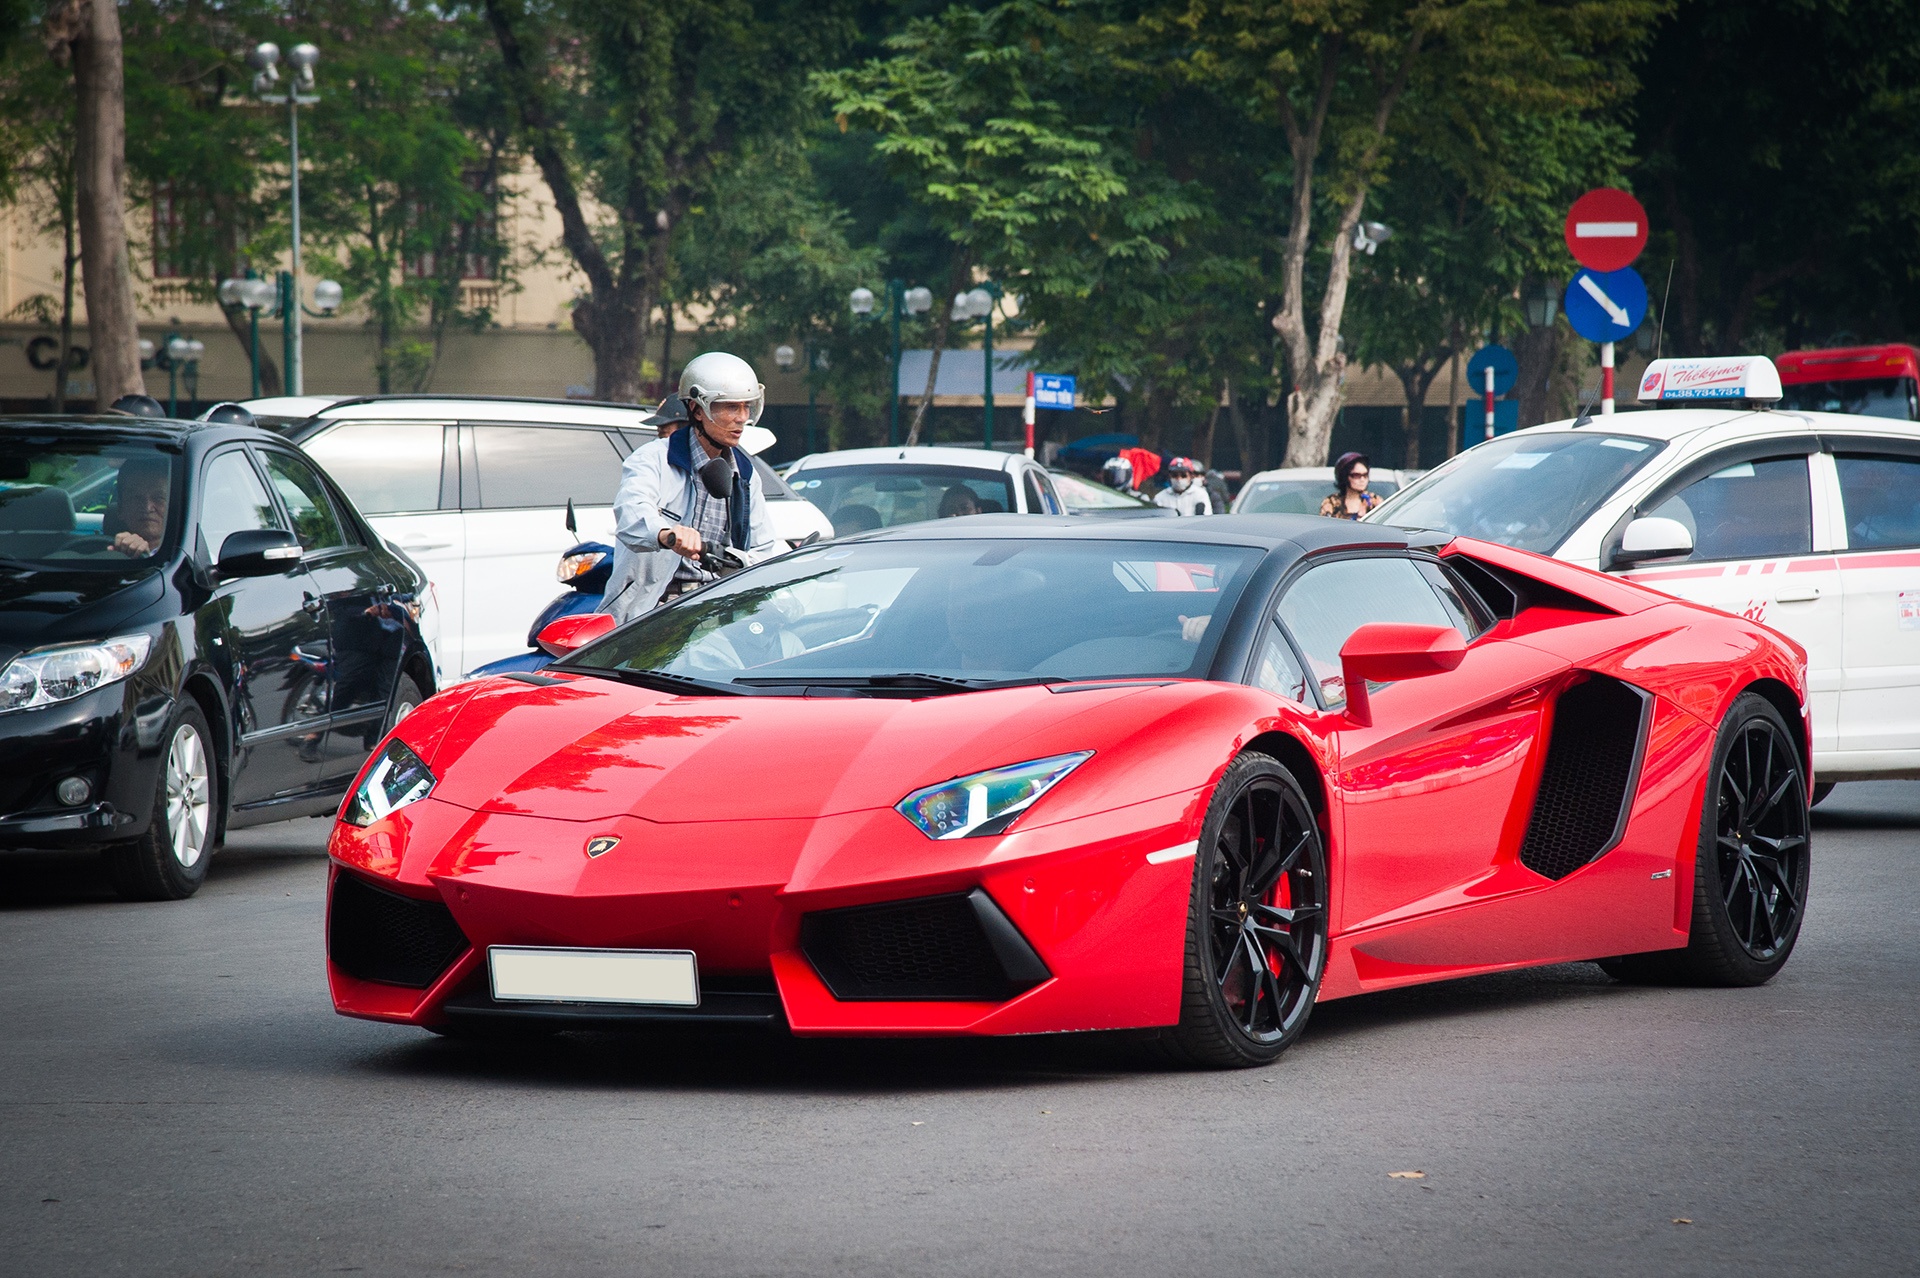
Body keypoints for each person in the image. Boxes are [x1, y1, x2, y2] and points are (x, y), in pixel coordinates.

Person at [601, 352, 779, 623]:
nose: (742, 418)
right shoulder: (653, 459)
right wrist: (666, 534)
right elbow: (631, 515)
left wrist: (731, 560)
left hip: (717, 610)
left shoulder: (745, 474)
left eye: (747, 407)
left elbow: (763, 551)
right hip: (652, 612)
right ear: (697, 410)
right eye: (731, 407)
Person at [109, 456, 171, 556]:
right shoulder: (102, 555)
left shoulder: (183, 558)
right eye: (136, 498)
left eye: (158, 498)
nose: (147, 508)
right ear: (120, 508)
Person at [1319, 451, 1381, 520]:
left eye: (1365, 475)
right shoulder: (1331, 502)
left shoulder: (1375, 501)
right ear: (1345, 476)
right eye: (1357, 475)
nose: (1362, 479)